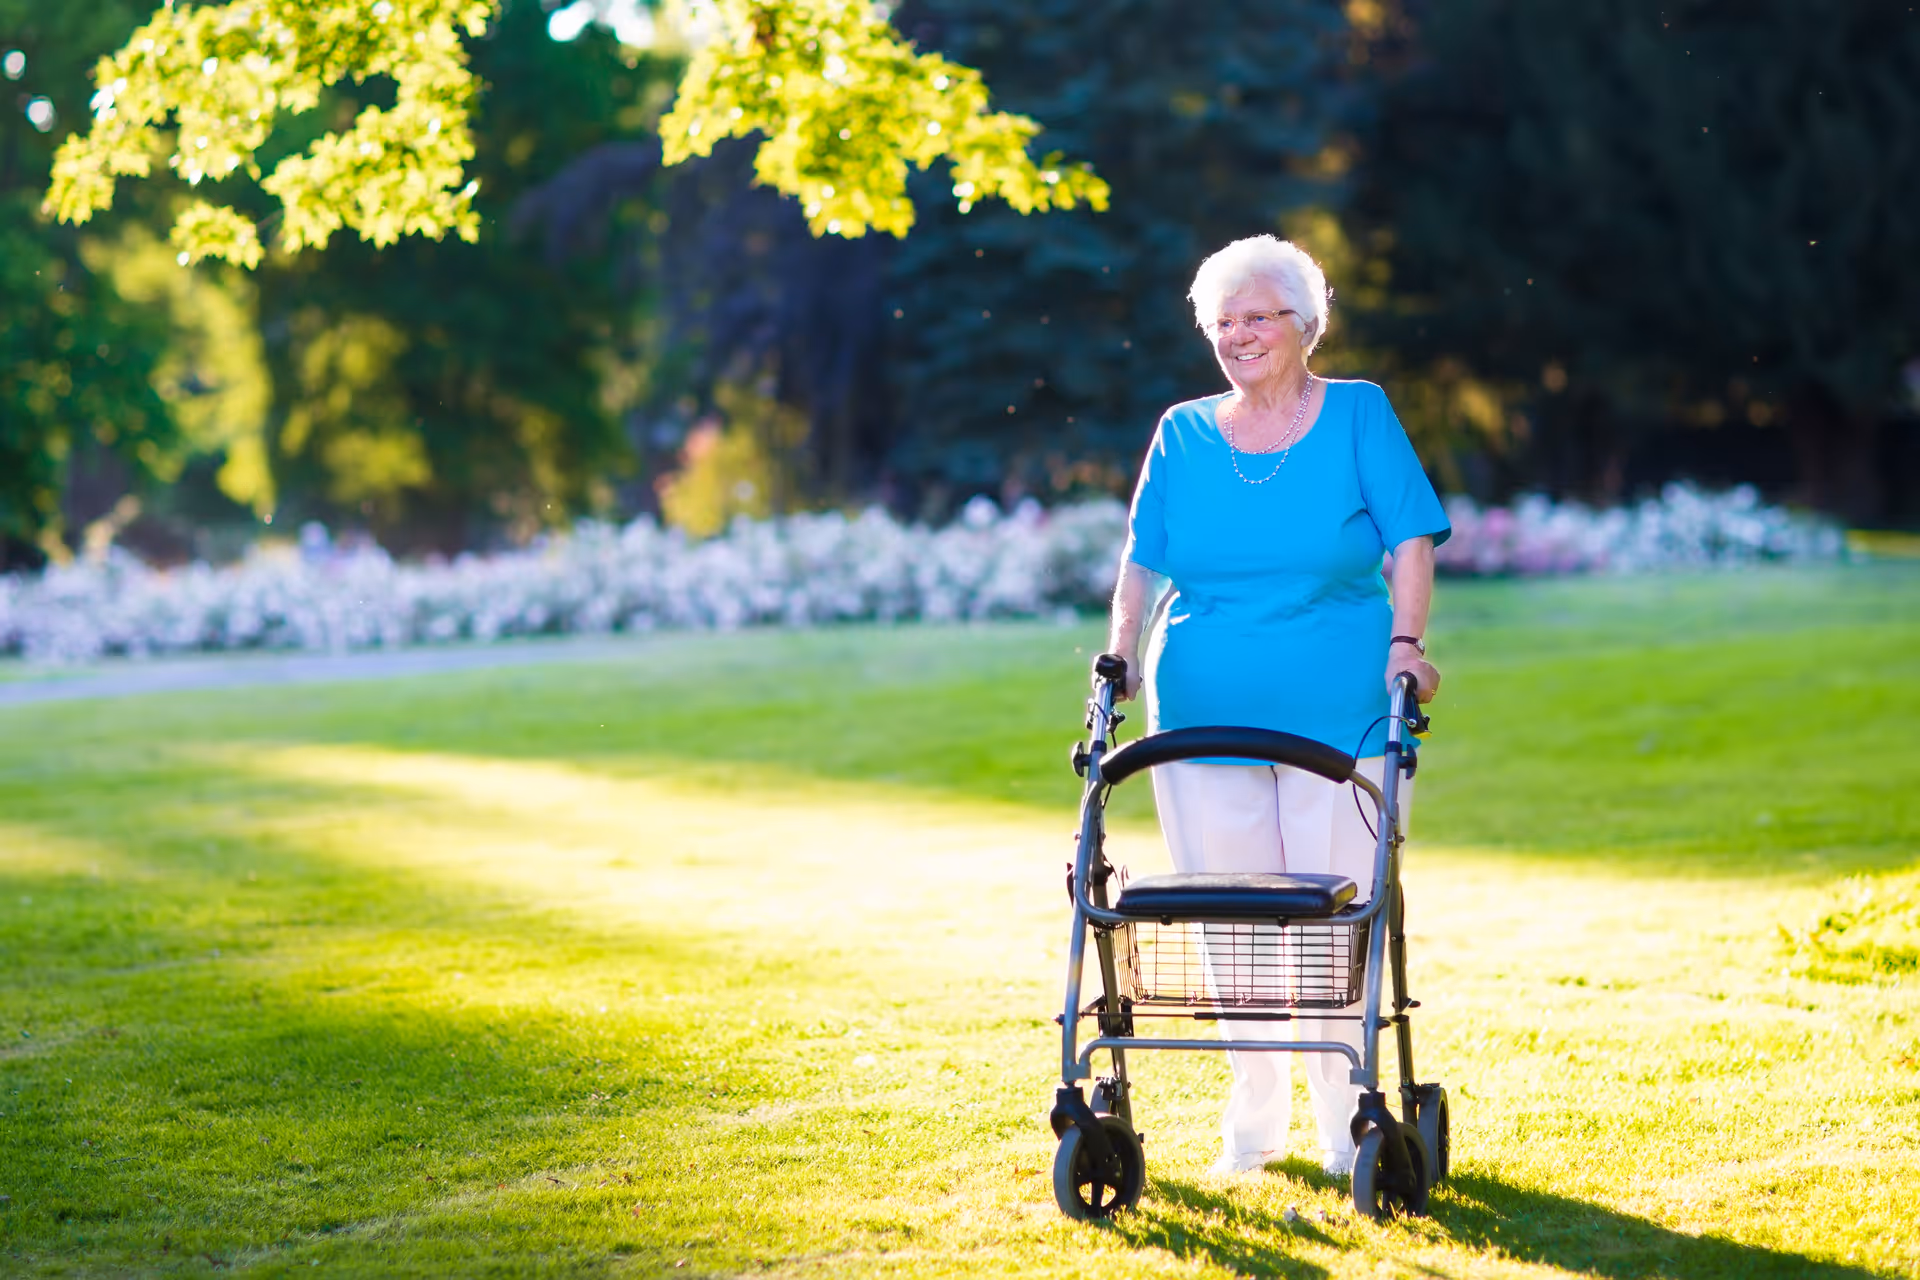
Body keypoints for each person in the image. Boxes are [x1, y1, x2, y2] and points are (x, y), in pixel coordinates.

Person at [1103, 235, 1450, 1178]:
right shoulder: (1181, 431)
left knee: (1335, 917)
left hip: (1342, 714)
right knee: (1235, 926)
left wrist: (1408, 648)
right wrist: (1120, 657)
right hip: (1203, 713)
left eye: (1257, 317)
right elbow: (1142, 559)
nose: (1238, 336)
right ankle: (1252, 1128)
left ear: (1306, 324)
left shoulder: (1357, 415)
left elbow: (1413, 537)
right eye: (1222, 322)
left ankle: (1348, 1129)